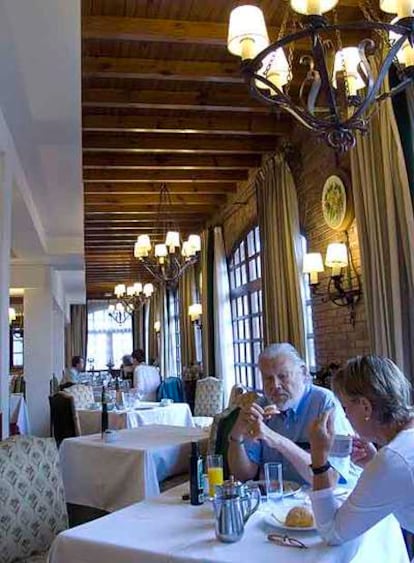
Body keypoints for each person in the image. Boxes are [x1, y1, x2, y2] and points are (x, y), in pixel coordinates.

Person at [309, 355, 414, 545]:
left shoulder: (394, 458)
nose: (346, 416)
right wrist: (375, 463)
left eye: (346, 407)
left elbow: (333, 533)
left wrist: (319, 460)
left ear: (365, 407)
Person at [227, 342, 356, 485]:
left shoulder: (325, 403)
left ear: (303, 372)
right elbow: (244, 476)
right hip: (274, 502)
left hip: (316, 500)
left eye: (283, 376)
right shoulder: (261, 406)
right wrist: (236, 435)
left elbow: (331, 479)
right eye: (268, 378)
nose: (275, 385)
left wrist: (276, 439)